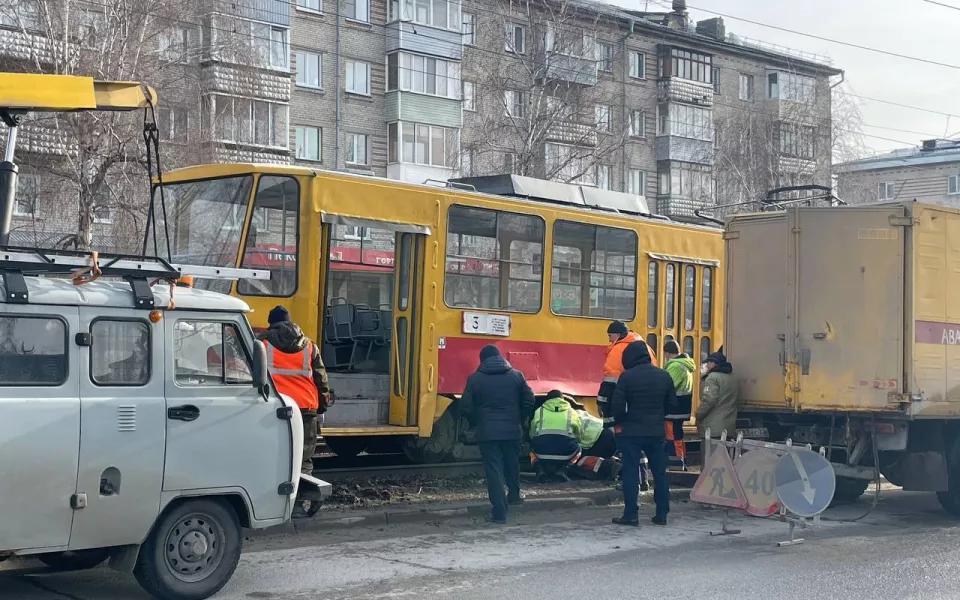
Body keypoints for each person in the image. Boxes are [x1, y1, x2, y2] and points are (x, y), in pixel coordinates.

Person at [260, 306, 331, 518]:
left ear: (271, 323)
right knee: (303, 459)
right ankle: (298, 505)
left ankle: (271, 505)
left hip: (275, 408)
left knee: (272, 457)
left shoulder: (262, 343)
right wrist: (322, 408)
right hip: (306, 408)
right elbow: (321, 379)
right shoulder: (309, 346)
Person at [460, 344, 535, 525]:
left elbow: (466, 406)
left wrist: (476, 421)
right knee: (512, 462)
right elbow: (529, 399)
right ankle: (515, 495)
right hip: (512, 429)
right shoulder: (517, 376)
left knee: (494, 470)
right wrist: (519, 417)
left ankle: (499, 512)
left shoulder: (475, 379)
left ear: (482, 360)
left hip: (487, 431)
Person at [611, 340, 676, 527]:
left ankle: (631, 514)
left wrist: (623, 419)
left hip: (632, 432)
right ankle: (662, 514)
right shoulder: (664, 376)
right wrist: (658, 414)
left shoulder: (627, 377)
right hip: (656, 432)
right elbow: (672, 404)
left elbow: (617, 406)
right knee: (659, 473)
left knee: (631, 471)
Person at [599, 321, 656, 491]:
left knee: (625, 443)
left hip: (623, 405)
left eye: (610, 336)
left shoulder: (619, 349)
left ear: (617, 334)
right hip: (644, 405)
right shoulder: (646, 348)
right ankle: (643, 480)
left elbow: (610, 381)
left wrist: (602, 403)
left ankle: (630, 482)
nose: (609, 340)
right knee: (640, 444)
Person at [529, 390, 583, 483]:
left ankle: (539, 469)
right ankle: (564, 469)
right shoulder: (572, 412)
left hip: (541, 452)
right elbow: (579, 435)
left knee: (531, 447)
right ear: (563, 399)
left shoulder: (539, 411)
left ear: (547, 400)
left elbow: (532, 433)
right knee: (579, 448)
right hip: (566, 453)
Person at [663, 340, 695, 470]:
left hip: (673, 409)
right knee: (678, 435)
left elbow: (668, 386)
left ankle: (676, 464)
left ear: (667, 353)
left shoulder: (675, 366)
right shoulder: (686, 365)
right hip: (682, 408)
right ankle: (682, 461)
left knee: (672, 436)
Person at [697, 351, 739, 439]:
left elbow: (709, 400)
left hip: (713, 428)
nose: (707, 365)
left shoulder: (712, 377)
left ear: (714, 363)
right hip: (729, 426)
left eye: (708, 362)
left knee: (711, 452)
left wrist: (698, 414)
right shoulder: (732, 377)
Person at [572, 406, 620, 480]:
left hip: (602, 438)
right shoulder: (575, 412)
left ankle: (611, 467)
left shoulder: (564, 420)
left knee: (576, 460)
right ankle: (616, 461)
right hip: (608, 433)